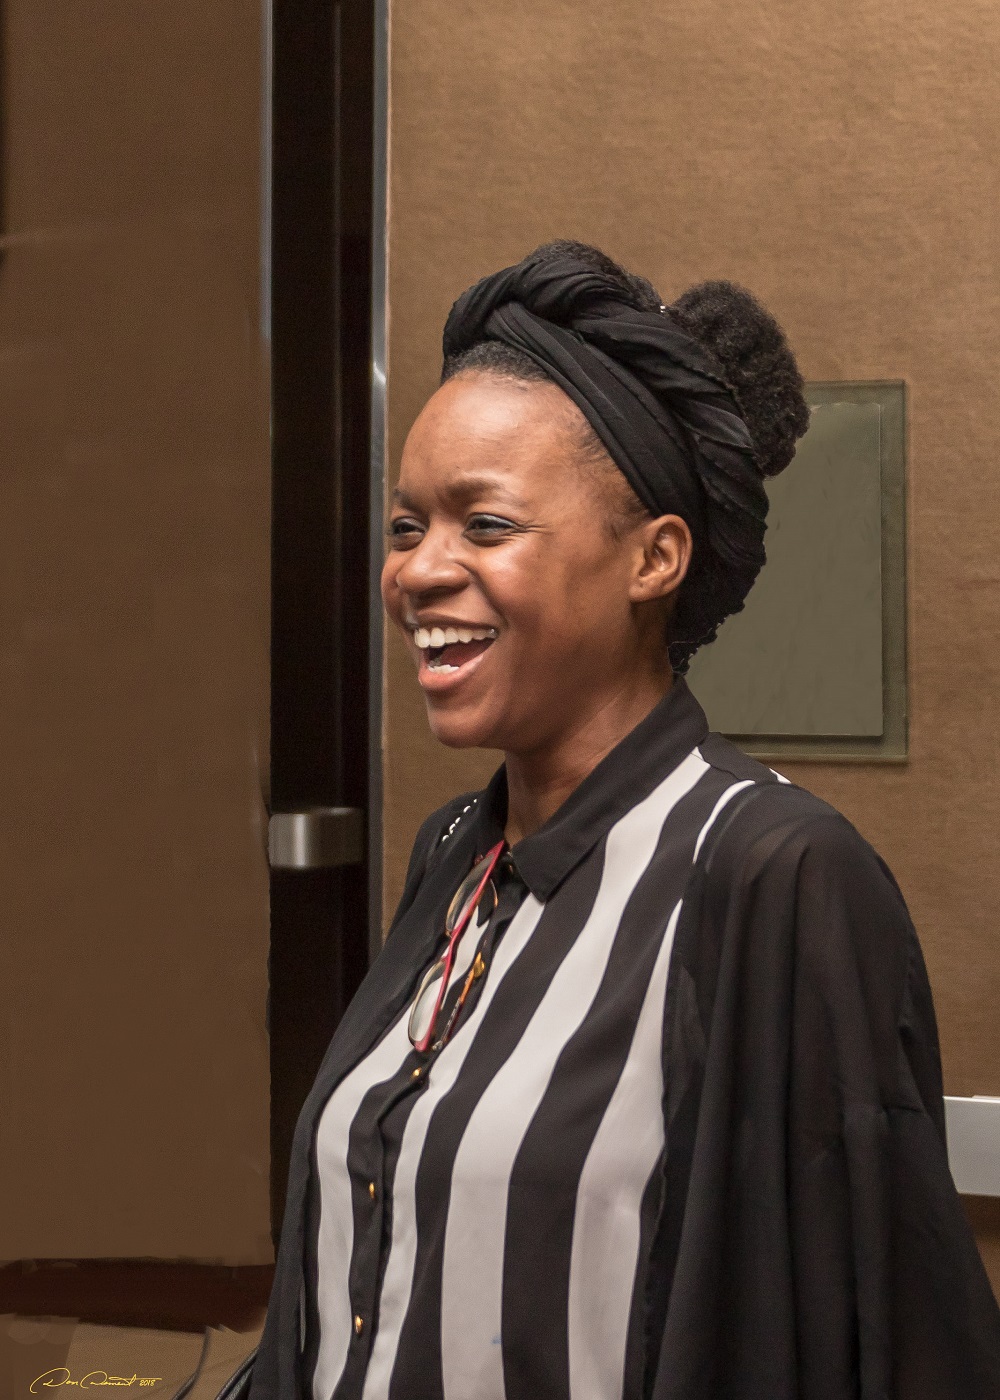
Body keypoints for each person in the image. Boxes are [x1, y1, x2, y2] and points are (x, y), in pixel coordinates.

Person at [246, 241, 1000, 1400]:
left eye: (484, 524)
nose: (419, 571)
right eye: (405, 526)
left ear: (653, 557)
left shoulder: (772, 874)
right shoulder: (453, 853)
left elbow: (856, 1330)